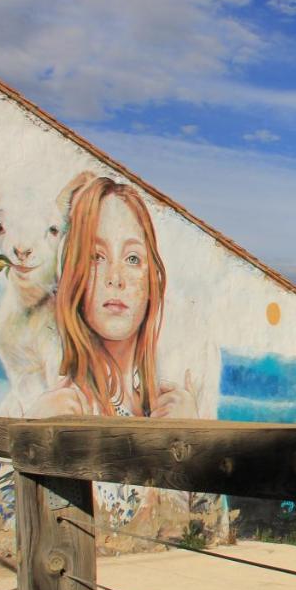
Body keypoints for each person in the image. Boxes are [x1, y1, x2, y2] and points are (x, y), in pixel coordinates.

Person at [28, 176, 198, 419]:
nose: (115, 278)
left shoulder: (169, 404)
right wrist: (32, 431)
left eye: (132, 259)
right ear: (75, 275)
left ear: (151, 281)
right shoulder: (56, 404)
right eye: (96, 256)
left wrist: (189, 435)